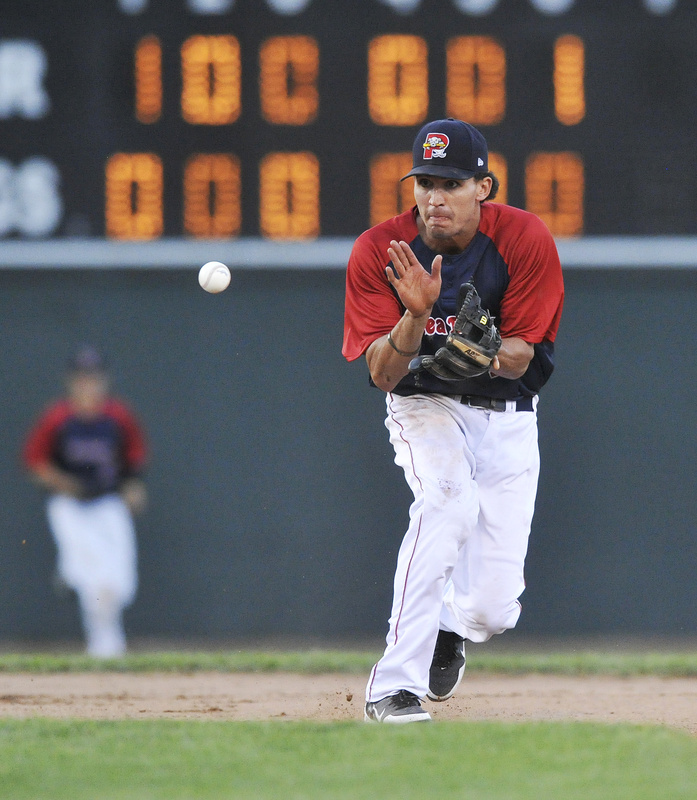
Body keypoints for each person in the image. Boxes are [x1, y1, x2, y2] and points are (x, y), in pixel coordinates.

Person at [343, 118, 564, 723]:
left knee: (493, 610)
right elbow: (383, 374)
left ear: (483, 187)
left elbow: (521, 352)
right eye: (424, 183)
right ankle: (394, 687)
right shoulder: (379, 251)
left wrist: (487, 353)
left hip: (509, 415)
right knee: (446, 503)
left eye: (451, 183)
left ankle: (450, 626)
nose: (434, 197)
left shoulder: (522, 239)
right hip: (425, 403)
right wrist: (413, 321)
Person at [23, 346, 148, 658]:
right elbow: (35, 462)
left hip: (107, 502)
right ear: (71, 382)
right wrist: (65, 482)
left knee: (120, 582)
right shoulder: (58, 418)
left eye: (93, 378)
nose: (88, 385)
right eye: (82, 378)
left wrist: (133, 486)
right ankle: (105, 648)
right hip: (70, 505)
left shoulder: (118, 416)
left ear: (104, 381)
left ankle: (71, 572)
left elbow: (134, 459)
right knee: (95, 580)